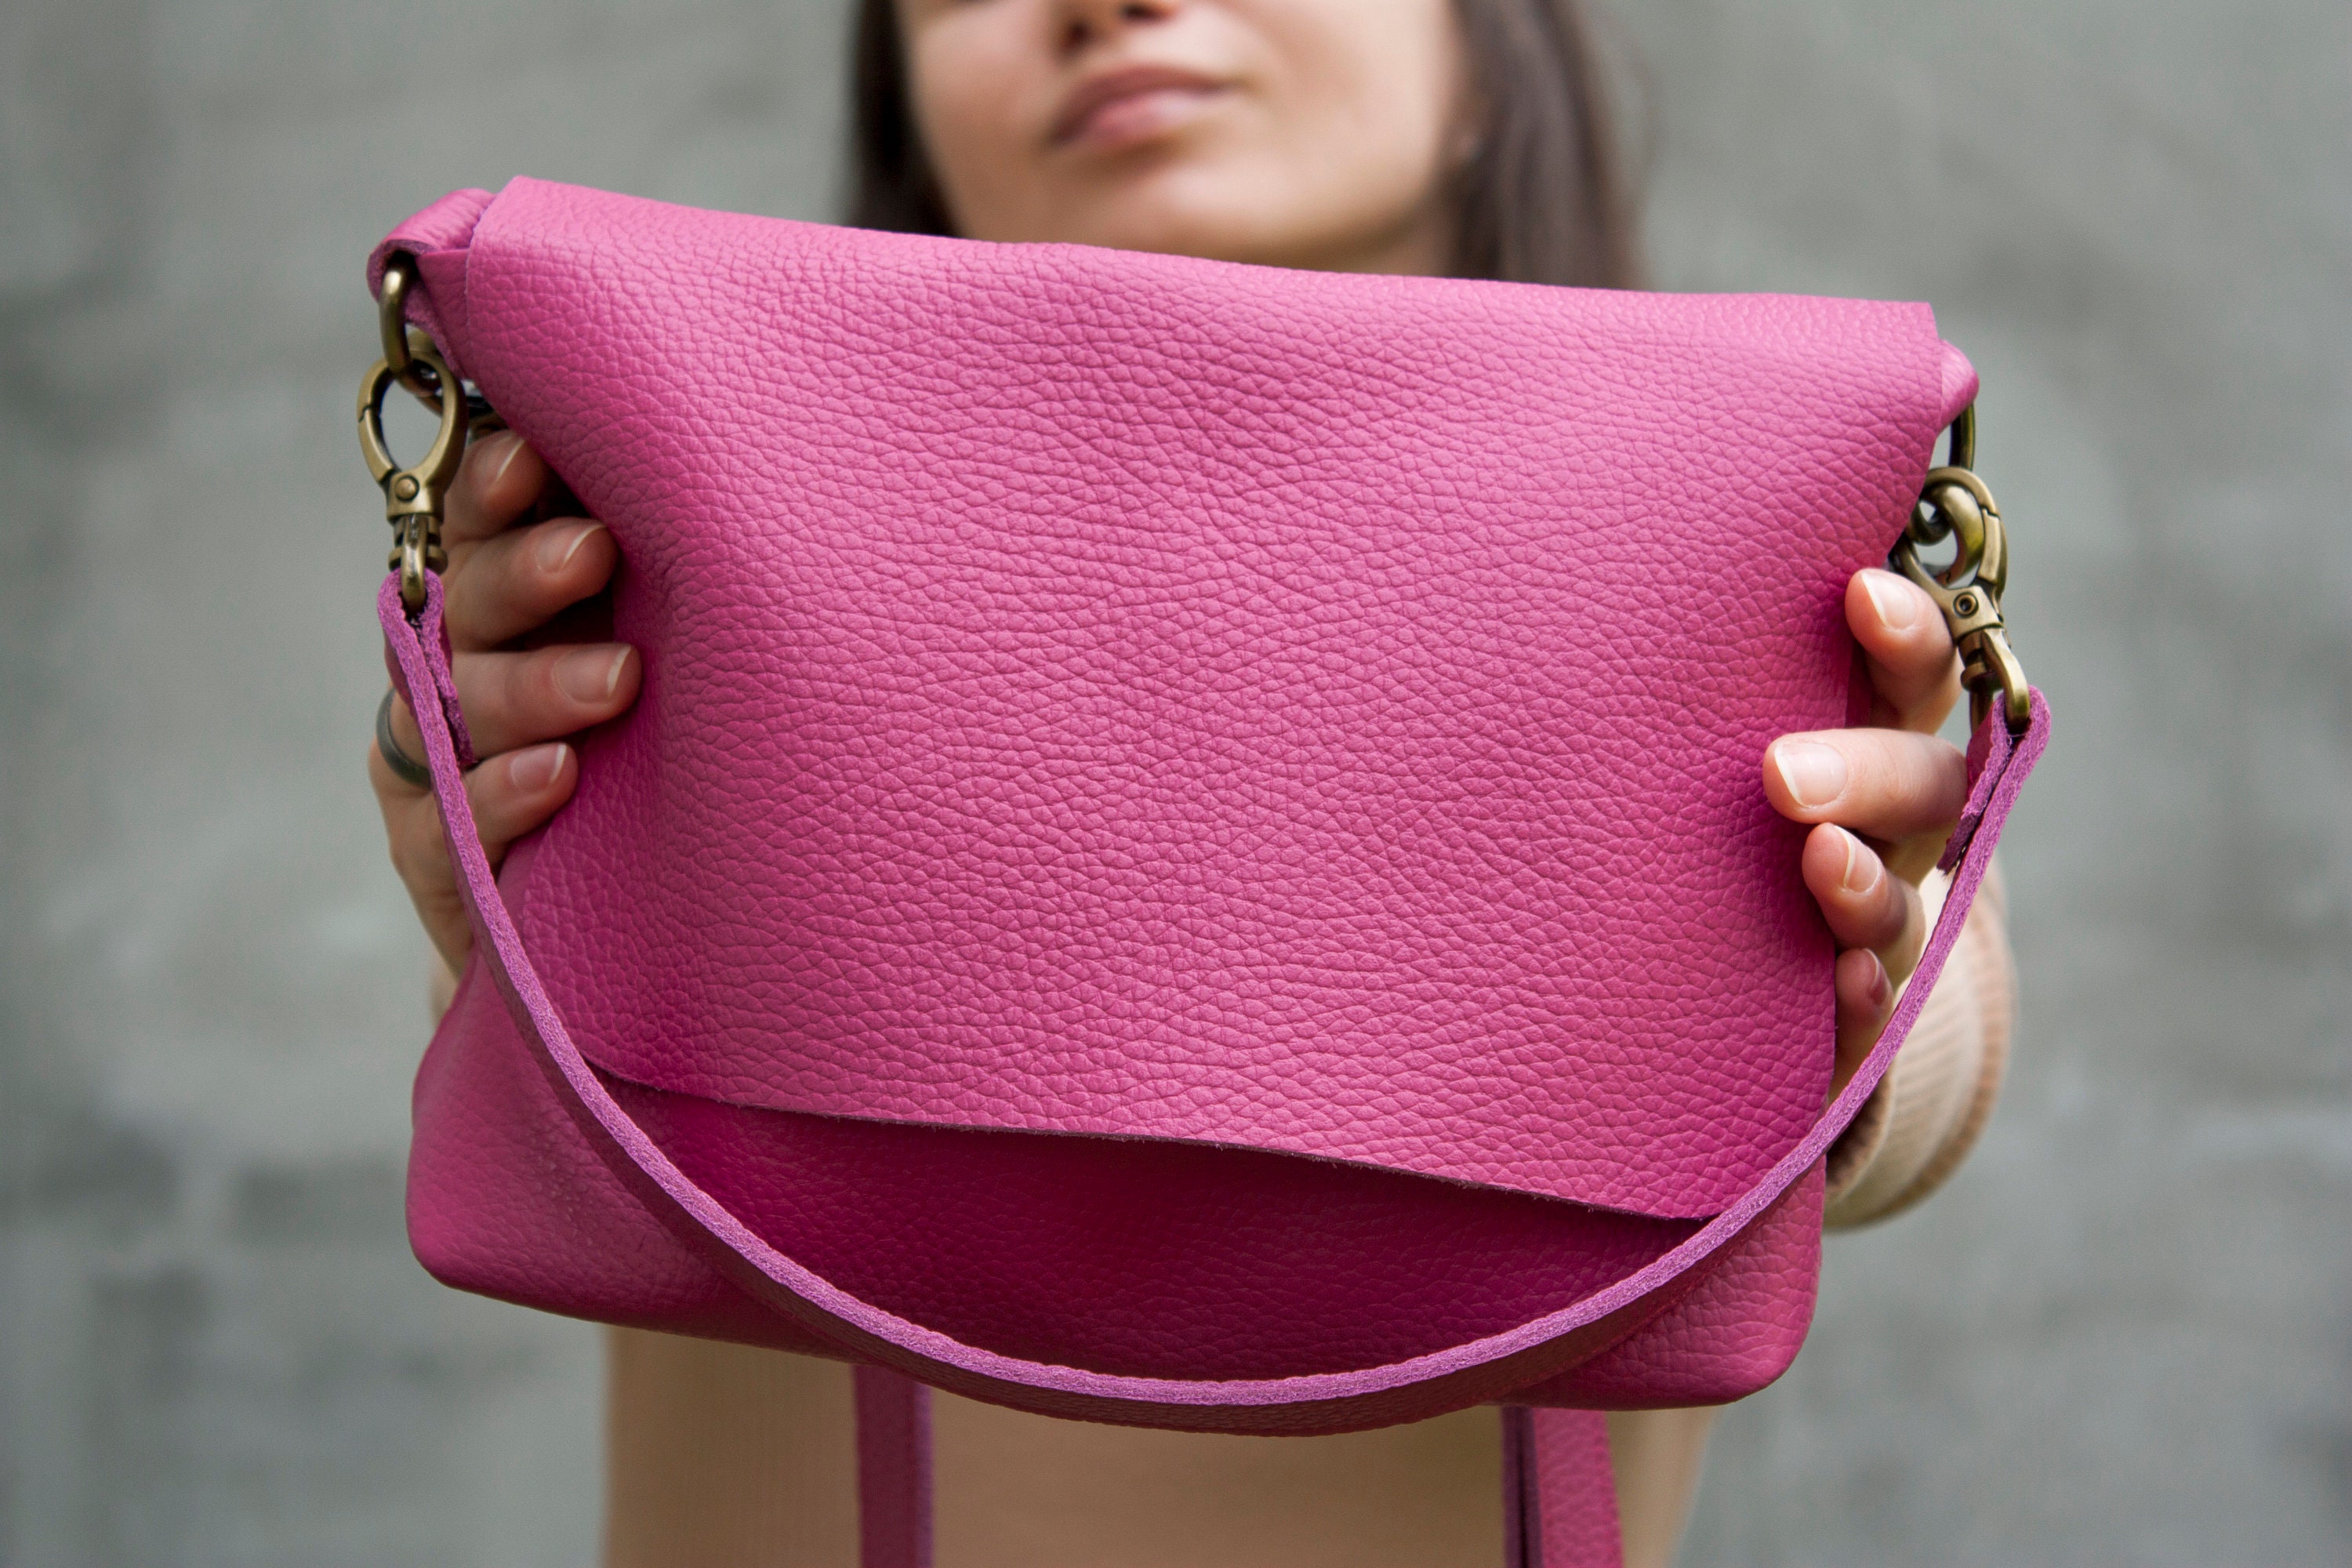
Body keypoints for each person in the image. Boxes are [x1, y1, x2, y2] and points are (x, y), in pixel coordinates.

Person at [368, 1, 2017, 1562]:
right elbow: (592, 1099)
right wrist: (506, 865)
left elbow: (1944, 1027)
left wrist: (1852, 1000)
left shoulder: (1726, 524)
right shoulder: (672, 521)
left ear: (1485, 39)